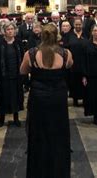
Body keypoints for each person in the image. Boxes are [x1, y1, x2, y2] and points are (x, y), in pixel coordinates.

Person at [20, 23, 73, 178]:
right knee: (58, 131)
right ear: (57, 36)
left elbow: (22, 71)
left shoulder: (31, 53)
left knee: (39, 132)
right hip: (58, 97)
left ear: (41, 36)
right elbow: (69, 66)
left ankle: (39, 170)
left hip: (39, 97)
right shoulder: (66, 54)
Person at [0, 21, 24, 127]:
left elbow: (23, 58)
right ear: (4, 31)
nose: (10, 31)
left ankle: (16, 118)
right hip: (4, 75)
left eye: (12, 29)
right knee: (3, 97)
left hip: (16, 74)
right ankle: (2, 118)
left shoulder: (18, 42)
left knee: (16, 97)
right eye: (8, 29)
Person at [65, 17, 87, 107]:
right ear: (73, 25)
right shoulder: (69, 35)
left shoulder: (86, 34)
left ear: (82, 25)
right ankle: (75, 99)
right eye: (76, 24)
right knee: (74, 81)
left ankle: (85, 98)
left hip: (84, 61)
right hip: (73, 62)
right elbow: (66, 48)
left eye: (79, 24)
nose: (78, 26)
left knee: (84, 81)